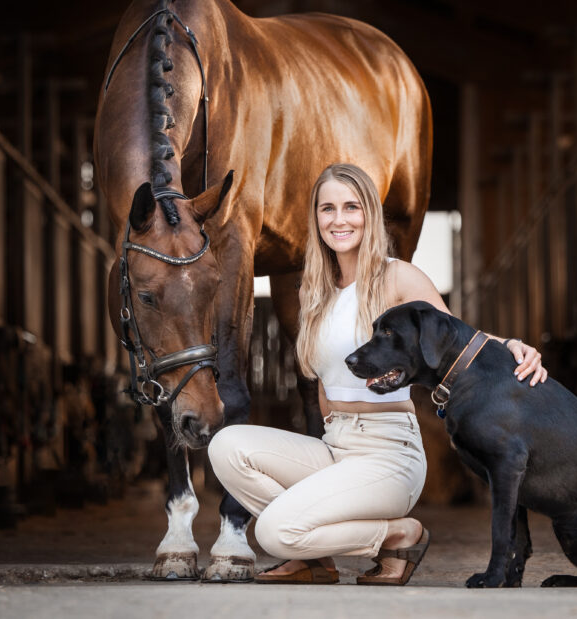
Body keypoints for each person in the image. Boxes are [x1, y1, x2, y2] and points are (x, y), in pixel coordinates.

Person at [208, 163, 547, 585]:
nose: (339, 219)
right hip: (335, 447)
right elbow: (320, 386)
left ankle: (398, 535)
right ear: (315, 218)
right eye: (327, 208)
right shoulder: (313, 292)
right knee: (226, 446)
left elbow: (455, 336)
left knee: (273, 531)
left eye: (351, 207)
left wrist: (510, 346)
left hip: (388, 452)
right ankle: (314, 554)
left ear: (369, 214)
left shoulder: (395, 277)